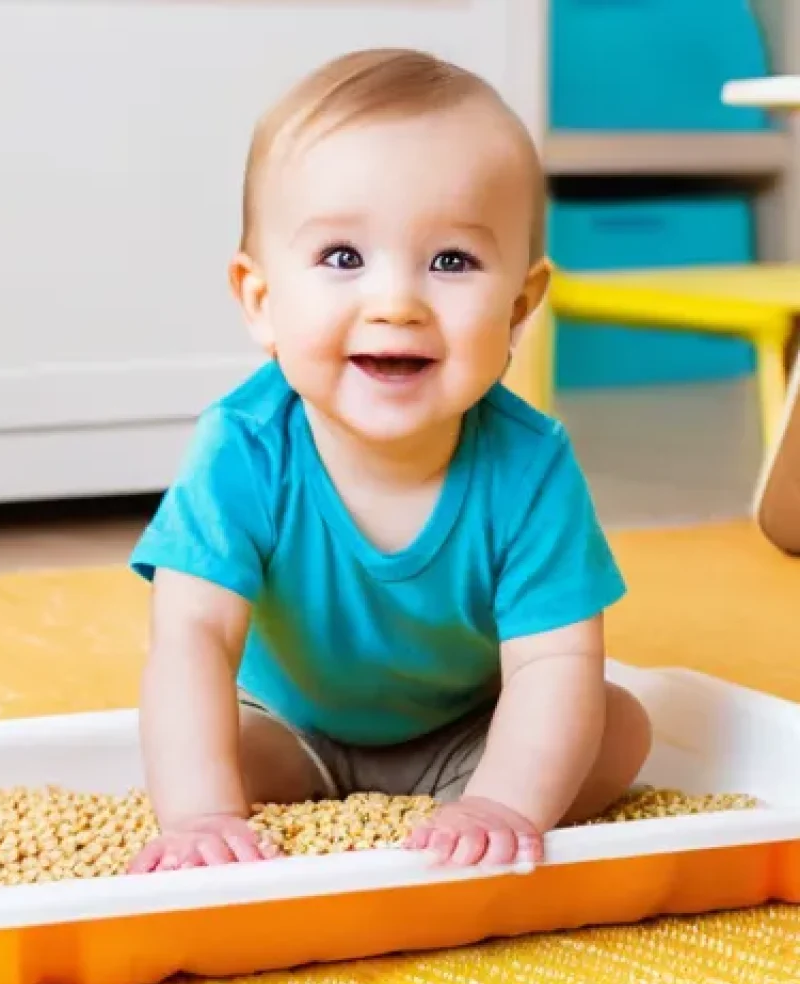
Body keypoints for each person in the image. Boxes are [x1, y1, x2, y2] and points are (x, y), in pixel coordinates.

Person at [126, 48, 652, 874]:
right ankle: (357, 811)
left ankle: (454, 818)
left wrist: (503, 802)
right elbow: (192, 634)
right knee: (194, 739)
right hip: (291, 731)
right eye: (343, 258)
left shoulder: (532, 465)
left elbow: (554, 659)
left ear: (519, 306)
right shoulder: (244, 447)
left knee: (617, 727)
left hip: (470, 734)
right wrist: (201, 816)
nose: (397, 302)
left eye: (452, 261)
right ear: (261, 301)